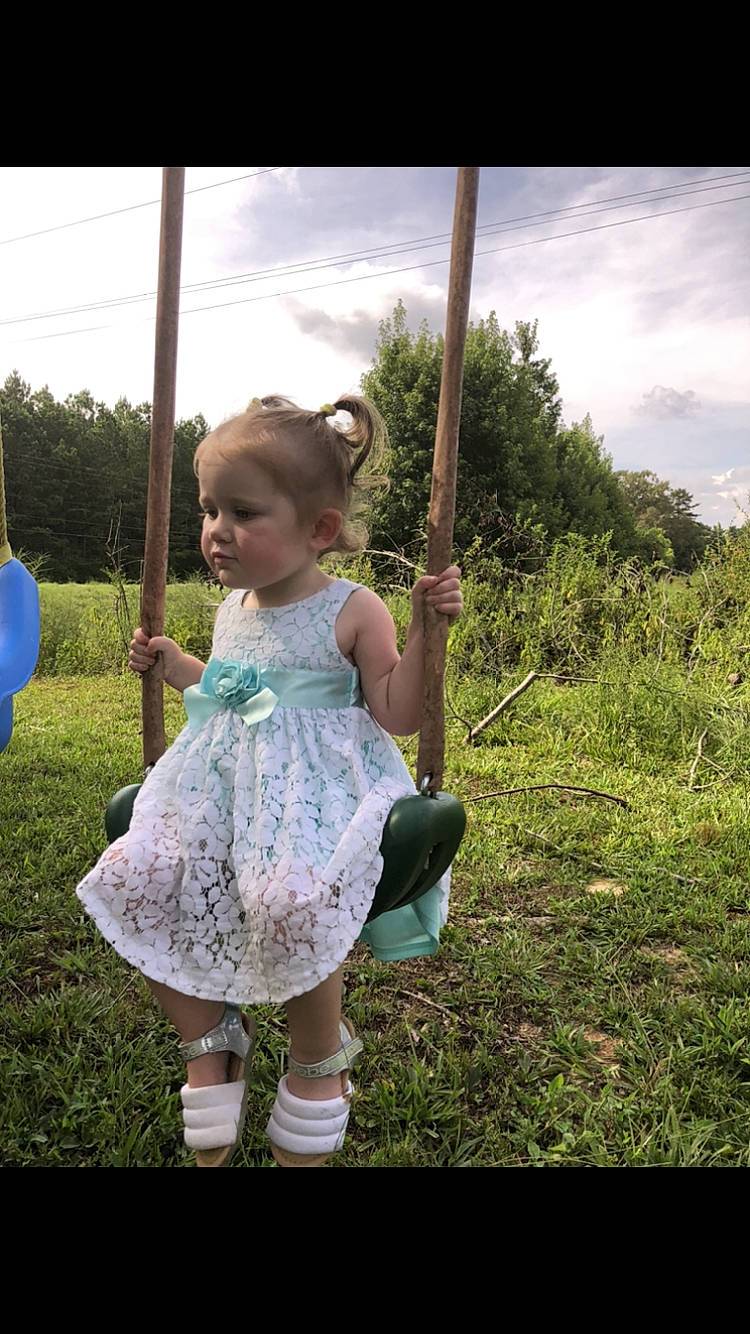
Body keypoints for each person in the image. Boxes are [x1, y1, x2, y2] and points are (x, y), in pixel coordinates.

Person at [76, 395, 462, 1168]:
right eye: (210, 509)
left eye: (242, 512)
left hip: (320, 796)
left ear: (318, 529)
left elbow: (396, 712)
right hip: (228, 792)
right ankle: (211, 1036)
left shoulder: (353, 609)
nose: (217, 530)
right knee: (130, 872)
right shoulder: (233, 609)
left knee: (285, 896)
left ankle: (320, 1052)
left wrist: (428, 630)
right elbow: (242, 697)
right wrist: (176, 665)